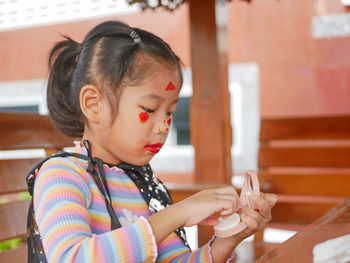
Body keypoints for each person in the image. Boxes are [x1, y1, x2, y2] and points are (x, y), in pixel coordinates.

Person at [27, 20, 277, 263]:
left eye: (169, 112)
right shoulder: (61, 176)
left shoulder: (142, 183)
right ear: (94, 104)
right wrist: (177, 214)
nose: (162, 127)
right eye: (149, 108)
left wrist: (229, 239)